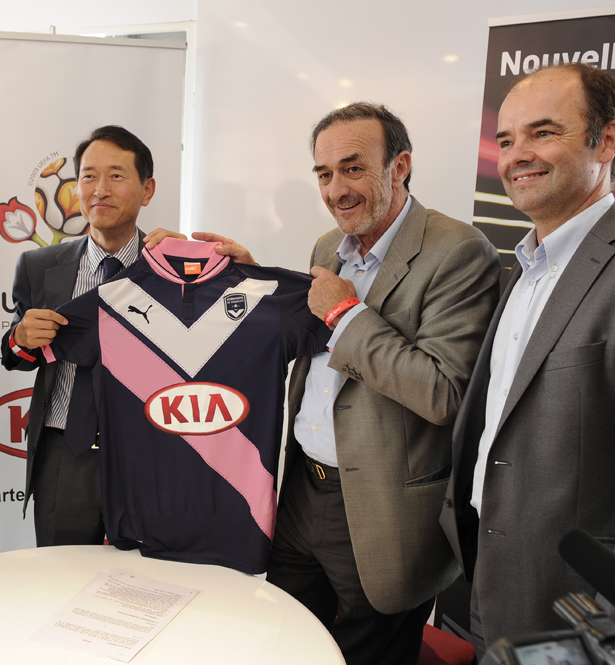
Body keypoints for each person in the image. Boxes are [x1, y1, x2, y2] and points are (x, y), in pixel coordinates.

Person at [439, 63, 615, 652]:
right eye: (506, 140)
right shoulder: (521, 267)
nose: (517, 155)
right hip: (485, 577)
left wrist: (609, 639)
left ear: (608, 140)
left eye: (543, 132)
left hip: (578, 610)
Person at [205, 102, 500, 664]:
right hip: (301, 491)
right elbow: (309, 335)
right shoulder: (327, 248)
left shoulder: (459, 252)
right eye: (324, 173)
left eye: (353, 168)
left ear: (400, 166)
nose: (336, 189)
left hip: (381, 508)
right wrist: (252, 279)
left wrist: (346, 315)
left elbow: (445, 392)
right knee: (284, 645)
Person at [0, 125, 183, 546]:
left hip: (152, 449)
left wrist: (190, 272)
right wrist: (21, 338)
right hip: (66, 450)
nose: (100, 190)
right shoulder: (39, 266)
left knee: (147, 577)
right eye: (88, 176)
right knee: (61, 574)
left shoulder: (175, 268)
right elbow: (13, 356)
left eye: (116, 176)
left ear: (147, 189)